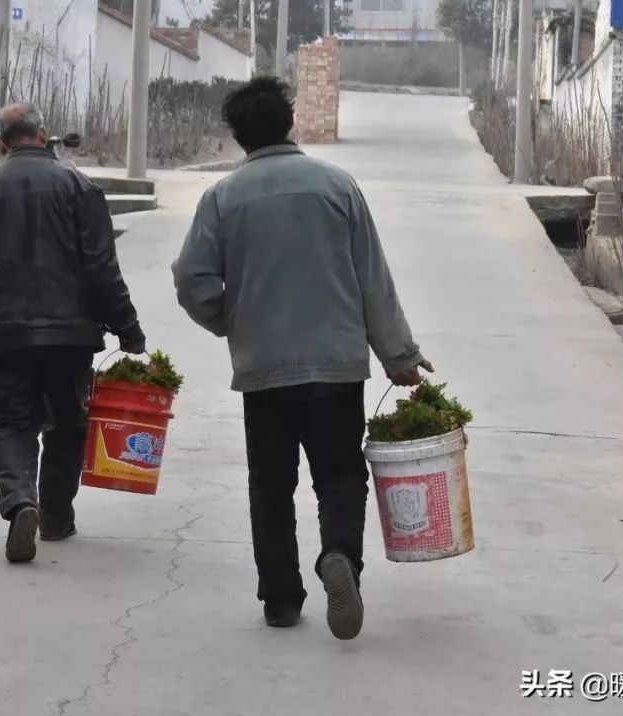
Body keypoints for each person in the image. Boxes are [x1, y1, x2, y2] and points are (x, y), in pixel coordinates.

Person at [171, 77, 432, 640]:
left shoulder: (223, 197)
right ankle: (339, 556)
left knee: (270, 483)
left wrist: (228, 319)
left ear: (238, 135)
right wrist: (399, 355)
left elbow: (190, 278)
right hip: (336, 364)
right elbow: (372, 278)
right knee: (339, 475)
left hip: (264, 367)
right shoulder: (337, 185)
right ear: (290, 123)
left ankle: (282, 599)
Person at [0, 103, 146, 564]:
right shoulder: (79, 187)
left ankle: (19, 502)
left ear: (0, 143)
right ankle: (54, 516)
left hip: (2, 332)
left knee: (10, 421)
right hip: (71, 334)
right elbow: (101, 265)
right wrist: (128, 328)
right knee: (68, 423)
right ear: (44, 134)